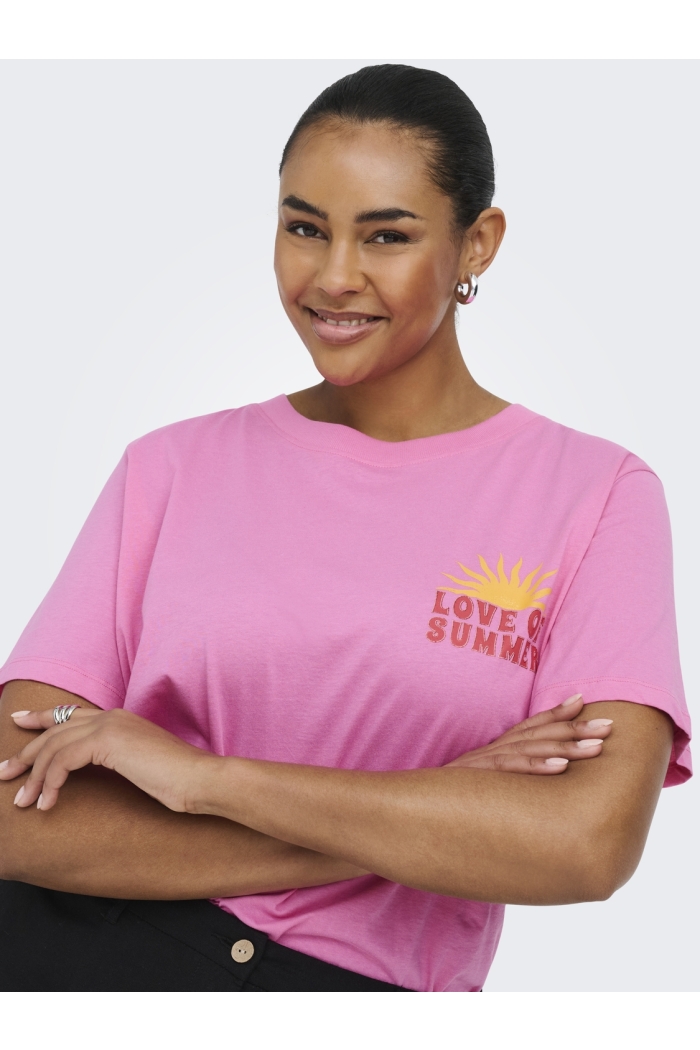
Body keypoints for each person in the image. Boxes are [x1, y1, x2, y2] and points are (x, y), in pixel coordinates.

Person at [0, 64, 691, 993]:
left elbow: (585, 845)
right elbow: (14, 815)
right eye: (304, 228)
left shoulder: (597, 494)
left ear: (477, 244)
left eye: (387, 236)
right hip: (79, 963)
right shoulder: (170, 468)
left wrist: (205, 780)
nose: (332, 277)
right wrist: (444, 808)